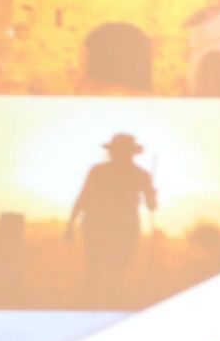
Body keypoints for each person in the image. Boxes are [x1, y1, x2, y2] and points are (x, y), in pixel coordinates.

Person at [66, 132, 157, 308]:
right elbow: (152, 206)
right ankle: (103, 306)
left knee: (100, 268)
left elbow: (83, 197)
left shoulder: (100, 171)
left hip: (100, 225)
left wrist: (71, 224)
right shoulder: (140, 174)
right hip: (119, 227)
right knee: (110, 269)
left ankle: (93, 306)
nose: (117, 154)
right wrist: (151, 193)